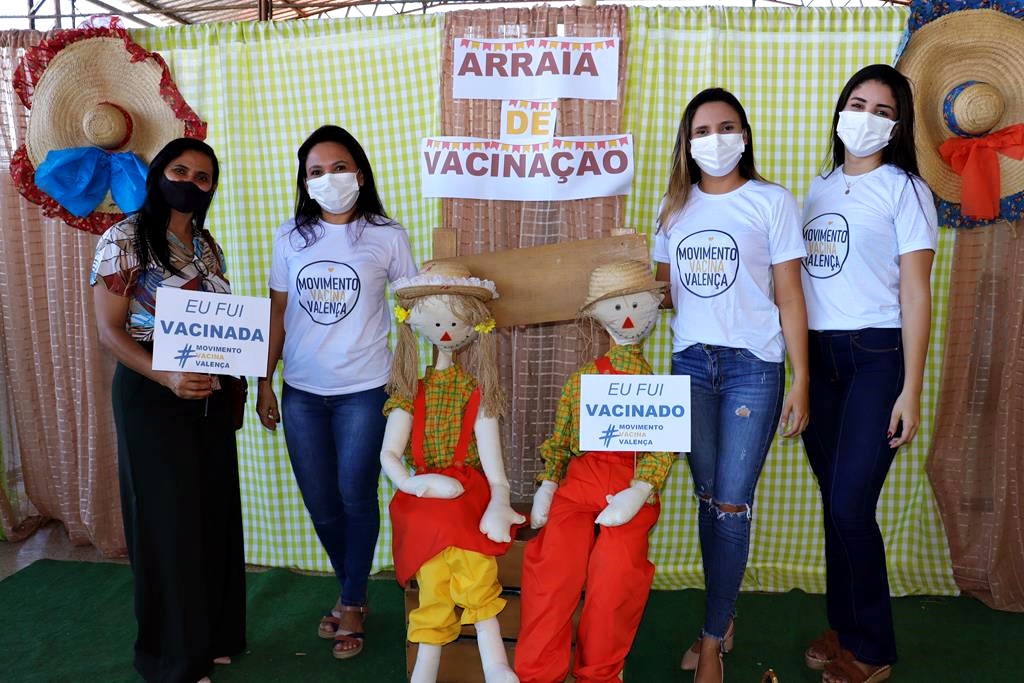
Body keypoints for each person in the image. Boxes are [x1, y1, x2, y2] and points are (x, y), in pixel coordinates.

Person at [653, 88, 810, 683]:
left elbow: (791, 295)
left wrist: (802, 380)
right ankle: (724, 614)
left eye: (725, 127)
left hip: (754, 367)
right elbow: (663, 295)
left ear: (744, 134)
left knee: (731, 502)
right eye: (701, 130)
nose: (713, 139)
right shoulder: (672, 208)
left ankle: (713, 638)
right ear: (686, 143)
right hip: (690, 365)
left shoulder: (771, 202)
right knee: (706, 495)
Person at [256, 125, 417, 660]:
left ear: (361, 174)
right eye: (316, 172)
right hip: (300, 391)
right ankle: (354, 588)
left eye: (339, 167)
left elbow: (412, 310)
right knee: (321, 502)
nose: (329, 179)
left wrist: (409, 378)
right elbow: (278, 313)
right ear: (304, 183)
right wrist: (264, 381)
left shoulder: (387, 235)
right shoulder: (289, 238)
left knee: (355, 494)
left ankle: (351, 600)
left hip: (363, 390)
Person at [799, 64, 937, 683]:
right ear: (839, 111)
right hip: (818, 361)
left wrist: (911, 388)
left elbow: (916, 291)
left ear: (898, 126)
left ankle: (874, 648)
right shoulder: (819, 188)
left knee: (853, 506)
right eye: (859, 104)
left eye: (883, 111)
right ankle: (846, 625)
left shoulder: (906, 190)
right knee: (836, 503)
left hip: (877, 359)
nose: (867, 118)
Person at [91, 137, 246, 683]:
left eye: (203, 177)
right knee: (167, 523)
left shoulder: (209, 246)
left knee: (214, 511)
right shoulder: (125, 238)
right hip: (150, 387)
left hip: (208, 388)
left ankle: (215, 636)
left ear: (210, 189)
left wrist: (236, 380)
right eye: (180, 170)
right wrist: (165, 375)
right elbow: (109, 330)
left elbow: (223, 323)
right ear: (159, 174)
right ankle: (172, 659)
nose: (191, 182)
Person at [516, 260, 673, 683]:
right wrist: (549, 483)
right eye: (616, 307)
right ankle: (537, 674)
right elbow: (564, 436)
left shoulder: (659, 385)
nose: (627, 316)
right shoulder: (583, 378)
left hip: (631, 485)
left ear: (654, 308)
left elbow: (662, 449)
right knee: (552, 568)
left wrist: (640, 490)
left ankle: (601, 673)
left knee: (616, 574)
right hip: (581, 481)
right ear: (598, 315)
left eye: (638, 305)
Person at [380, 260, 523, 683]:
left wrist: (499, 498)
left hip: (468, 489)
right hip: (421, 493)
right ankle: (426, 668)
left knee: (471, 555)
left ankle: (495, 662)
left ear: (472, 327)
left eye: (455, 322)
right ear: (418, 323)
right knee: (433, 566)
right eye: (436, 321)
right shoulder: (409, 392)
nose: (445, 331)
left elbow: (494, 466)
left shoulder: (478, 393)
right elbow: (389, 453)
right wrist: (411, 481)